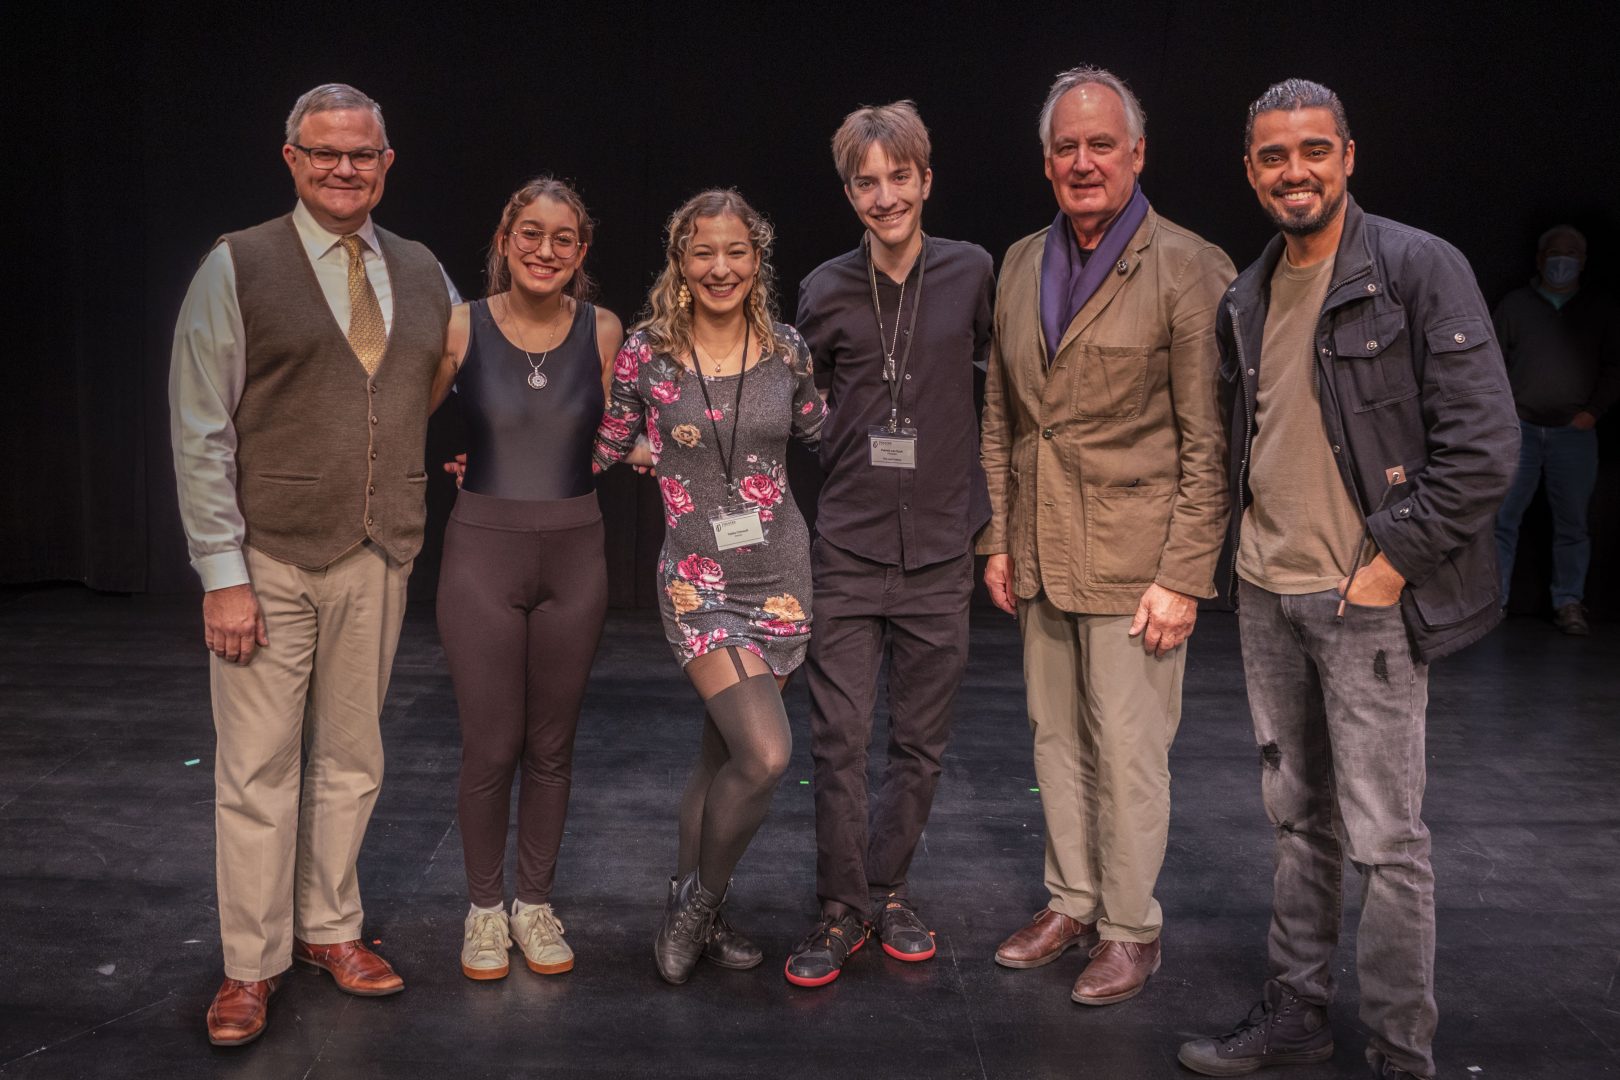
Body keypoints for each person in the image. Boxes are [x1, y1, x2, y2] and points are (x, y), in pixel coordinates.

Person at [1177, 79, 1517, 1080]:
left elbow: (1486, 448)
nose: (1295, 171)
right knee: (1297, 823)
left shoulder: (1416, 268)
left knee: (1385, 841)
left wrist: (1393, 563)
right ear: (1251, 171)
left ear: (1348, 157)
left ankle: (1401, 1051)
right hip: (1267, 595)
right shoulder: (1247, 293)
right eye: (1274, 156)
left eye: (1313, 151)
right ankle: (1298, 1013)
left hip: (1363, 603)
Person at [169, 83, 458, 1046]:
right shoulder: (238, 264)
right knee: (257, 770)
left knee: (351, 759)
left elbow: (437, 378)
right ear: (291, 158)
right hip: (270, 556)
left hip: (377, 552)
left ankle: (329, 929)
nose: (345, 168)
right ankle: (249, 965)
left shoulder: (421, 269)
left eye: (362, 154)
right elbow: (200, 427)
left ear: (387, 163)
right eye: (325, 152)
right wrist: (223, 574)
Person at [978, 65, 1233, 1007]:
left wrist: (1185, 575)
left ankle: (1131, 928)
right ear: (1047, 161)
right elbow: (1001, 417)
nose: (1083, 162)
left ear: (1136, 154)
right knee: (1056, 740)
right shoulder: (1017, 263)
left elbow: (1210, 442)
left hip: (1138, 563)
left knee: (1128, 750)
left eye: (1101, 144)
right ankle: (1072, 901)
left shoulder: (1188, 265)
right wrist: (998, 540)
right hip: (1042, 552)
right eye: (1066, 147)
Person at [592, 189, 828, 985]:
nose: (719, 267)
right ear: (680, 261)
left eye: (735, 251)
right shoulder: (647, 351)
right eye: (702, 252)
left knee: (719, 758)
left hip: (782, 578)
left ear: (756, 259)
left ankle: (692, 906)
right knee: (764, 755)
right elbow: (605, 441)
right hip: (698, 580)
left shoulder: (787, 348)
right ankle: (700, 907)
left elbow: (819, 429)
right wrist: (494, 463)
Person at [785, 101, 994, 987]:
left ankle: (887, 887)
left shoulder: (975, 272)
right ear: (848, 192)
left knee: (920, 741)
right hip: (850, 544)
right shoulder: (825, 289)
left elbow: (1001, 394)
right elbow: (802, 412)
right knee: (840, 739)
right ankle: (843, 907)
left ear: (925, 180)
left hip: (942, 546)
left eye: (898, 178)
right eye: (867, 182)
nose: (885, 196)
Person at [428, 178, 624, 981]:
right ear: (506, 239)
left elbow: (623, 438)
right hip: (483, 554)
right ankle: (483, 913)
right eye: (532, 234)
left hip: (576, 554)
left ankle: (534, 905)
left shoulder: (605, 331)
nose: (547, 251)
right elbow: (401, 416)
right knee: (491, 745)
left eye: (565, 238)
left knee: (551, 746)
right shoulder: (460, 325)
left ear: (582, 252)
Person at [1492, 225, 1619, 634]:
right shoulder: (1516, 305)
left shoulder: (1600, 308)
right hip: (1520, 431)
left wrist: (1593, 412)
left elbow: (1615, 367)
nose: (1562, 260)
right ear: (1540, 258)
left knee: (1573, 523)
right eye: (1554, 252)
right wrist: (1505, 412)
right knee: (1501, 519)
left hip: (1574, 434)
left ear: (1582, 262)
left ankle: (1569, 603)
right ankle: (1494, 603)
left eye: (1571, 253)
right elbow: (1489, 360)